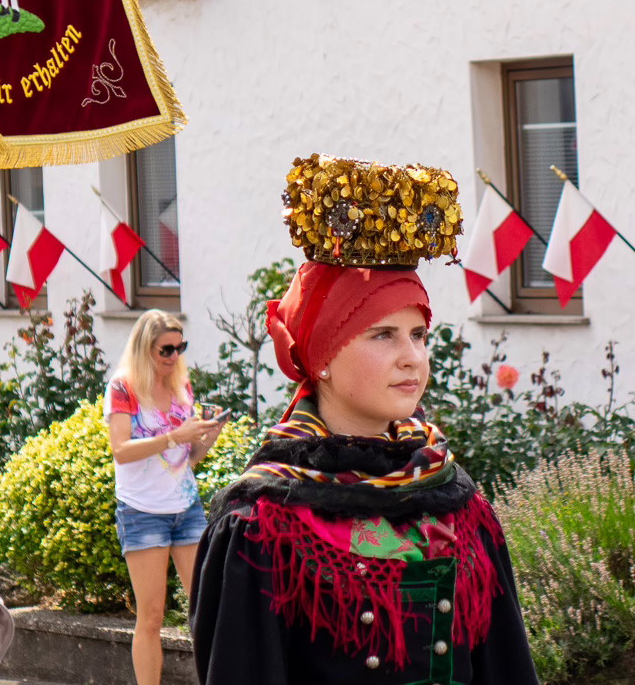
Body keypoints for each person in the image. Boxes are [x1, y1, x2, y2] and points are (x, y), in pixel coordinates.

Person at [190, 155, 539, 685]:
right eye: (383, 335)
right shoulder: (263, 525)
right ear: (322, 356)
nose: (412, 358)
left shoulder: (458, 501)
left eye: (418, 335)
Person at [105, 310, 228, 685]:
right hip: (142, 512)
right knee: (152, 616)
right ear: (146, 348)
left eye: (180, 347)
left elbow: (185, 459)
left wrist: (206, 439)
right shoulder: (123, 388)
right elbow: (121, 450)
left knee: (206, 610)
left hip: (186, 508)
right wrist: (175, 436)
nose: (175, 356)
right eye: (166, 350)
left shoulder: (180, 386)